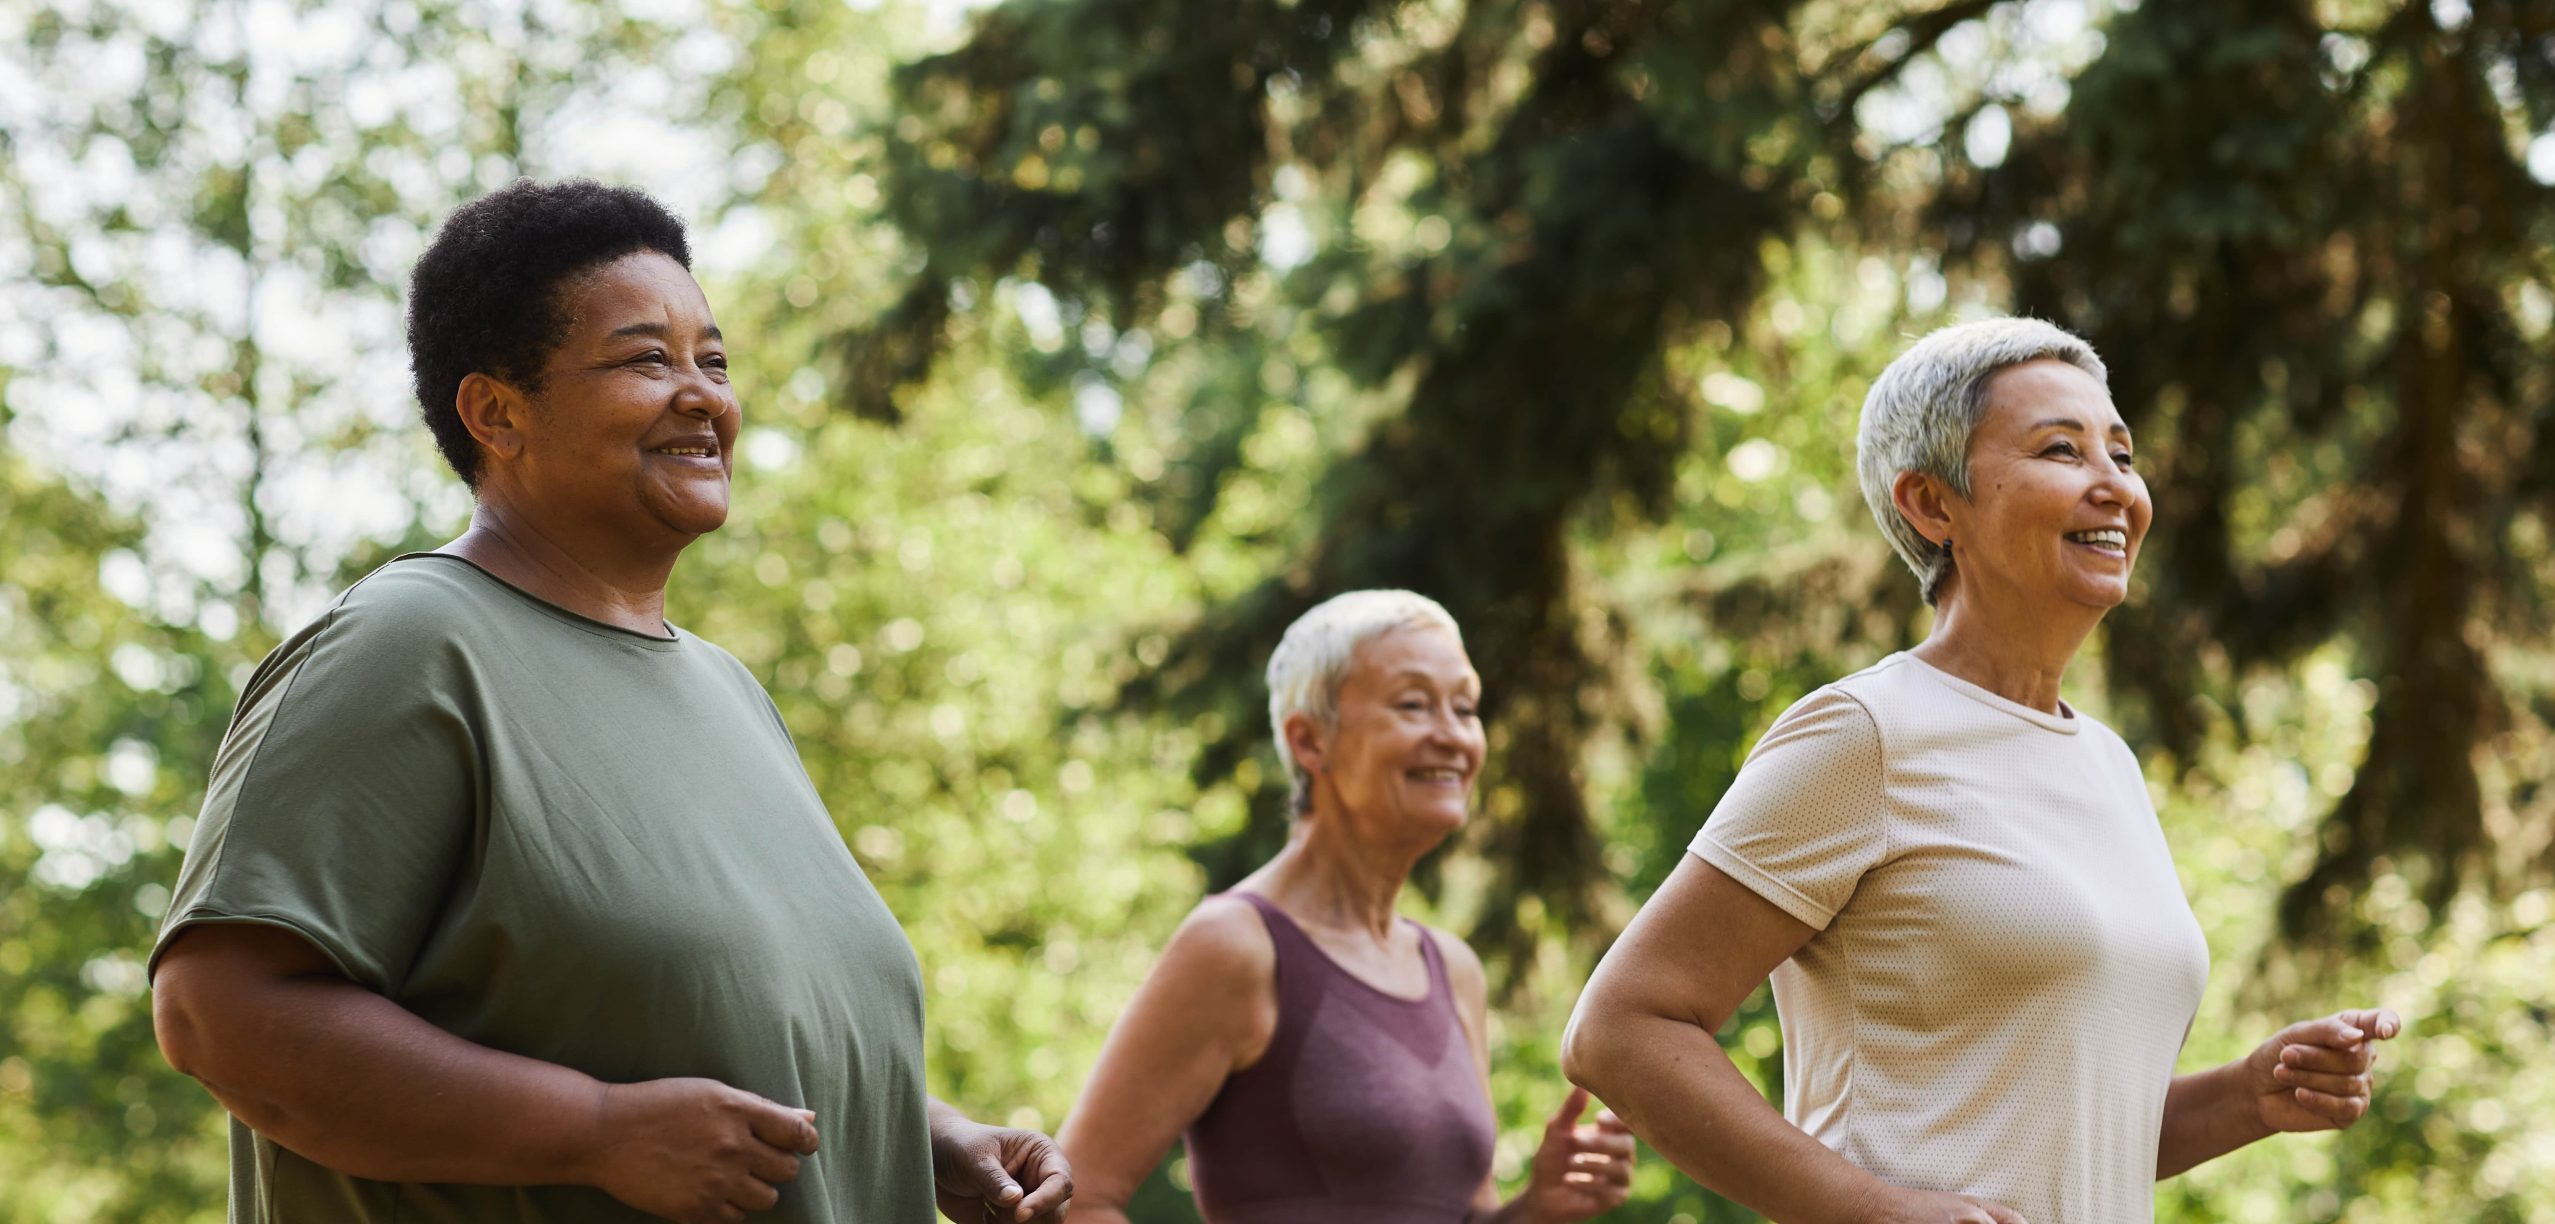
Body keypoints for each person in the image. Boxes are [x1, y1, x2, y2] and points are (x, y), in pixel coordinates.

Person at [147, 179, 1071, 1224]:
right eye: (646, 359)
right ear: (496, 411)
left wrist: (915, 1131)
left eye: (712, 361)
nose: (704, 395)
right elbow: (220, 1016)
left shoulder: (725, 690)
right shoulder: (407, 646)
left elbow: (708, 1017)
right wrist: (590, 1129)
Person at [1561, 318, 2402, 1224]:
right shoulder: (1866, 733)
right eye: (2060, 450)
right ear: (1932, 504)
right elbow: (1622, 1029)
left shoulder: (2107, 764)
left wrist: (2244, 1096)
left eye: (2120, 454)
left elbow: (2061, 1128)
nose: (2113, 486)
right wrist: (1871, 1210)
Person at [1057, 590, 1636, 1224]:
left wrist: (1538, 1207)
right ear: (1309, 741)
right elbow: (1077, 1197)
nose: (1452, 735)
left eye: (1465, 707)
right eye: (1413, 704)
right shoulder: (1236, 946)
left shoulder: (1453, 969)